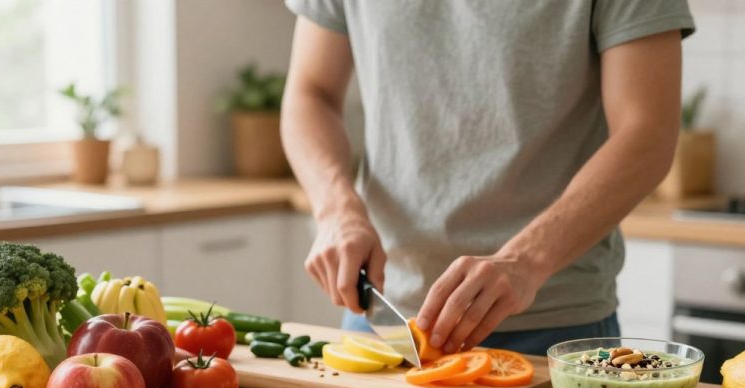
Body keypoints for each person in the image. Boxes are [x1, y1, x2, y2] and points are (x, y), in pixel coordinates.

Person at [281, 1, 695, 356]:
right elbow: (310, 93)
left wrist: (525, 261)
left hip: (554, 330)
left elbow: (647, 135)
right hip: (383, 319)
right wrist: (336, 209)